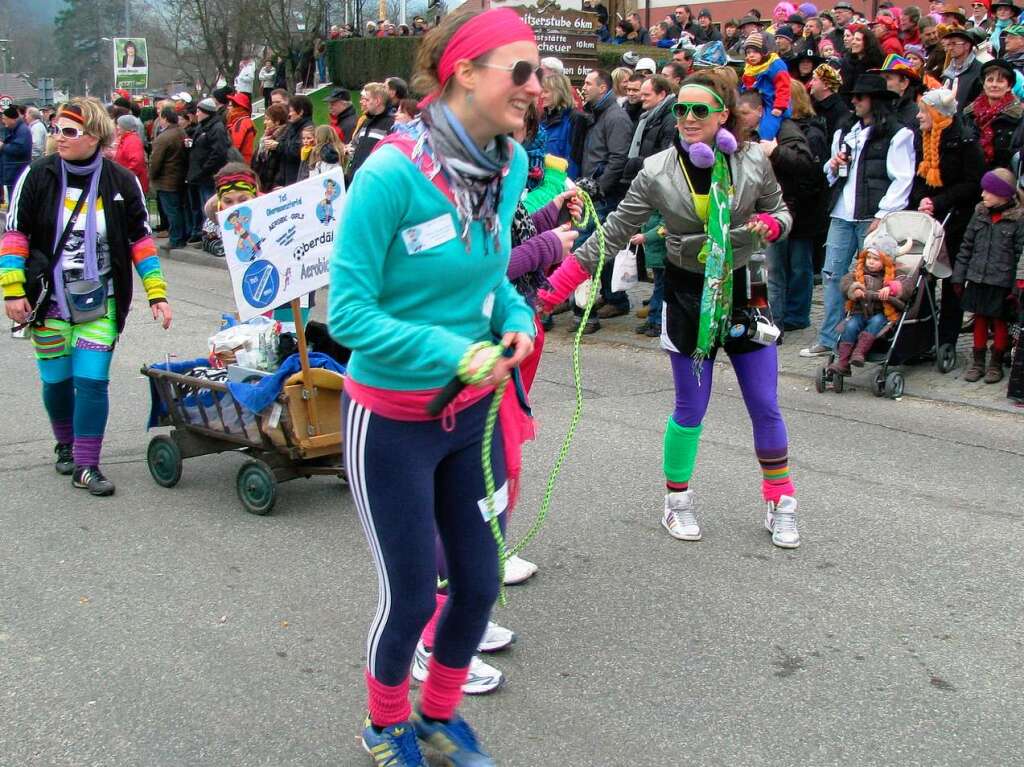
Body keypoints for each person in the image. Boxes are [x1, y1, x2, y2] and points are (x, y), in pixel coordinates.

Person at [327, 9, 541, 765]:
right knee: (414, 595)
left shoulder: (508, 162)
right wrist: (452, 349)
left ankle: (440, 716)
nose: (535, 86)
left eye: (538, 71)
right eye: (520, 70)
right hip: (391, 422)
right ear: (463, 73)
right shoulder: (390, 173)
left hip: (475, 417)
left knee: (480, 585)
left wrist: (516, 317)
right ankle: (384, 724)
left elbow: (495, 275)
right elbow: (346, 314)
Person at [540, 70, 801, 549]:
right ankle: (676, 502)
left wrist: (772, 224)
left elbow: (783, 211)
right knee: (690, 409)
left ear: (724, 115)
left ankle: (779, 499)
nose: (686, 119)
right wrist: (553, 290)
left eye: (698, 110)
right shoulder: (658, 169)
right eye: (680, 109)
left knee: (764, 404)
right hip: (685, 293)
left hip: (744, 289)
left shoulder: (750, 160)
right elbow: (614, 232)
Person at [1, 98, 170, 496]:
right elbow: (15, 236)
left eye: (70, 131)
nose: (59, 137)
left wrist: (157, 294)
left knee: (93, 382)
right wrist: (11, 291)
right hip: (49, 300)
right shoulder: (37, 175)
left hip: (101, 300)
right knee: (57, 382)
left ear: (95, 135)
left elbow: (141, 241)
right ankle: (65, 442)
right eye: (57, 129)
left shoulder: (120, 181)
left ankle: (86, 464)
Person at [801, 73, 916, 358]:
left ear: (874, 101)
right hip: (842, 212)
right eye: (853, 96)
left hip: (872, 215)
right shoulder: (846, 130)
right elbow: (831, 173)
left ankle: (865, 340)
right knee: (833, 275)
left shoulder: (897, 134)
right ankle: (829, 337)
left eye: (860, 97)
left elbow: (902, 178)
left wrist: (884, 212)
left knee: (871, 278)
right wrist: (834, 163)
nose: (854, 102)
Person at [735, 90, 824, 332]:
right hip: (762, 210)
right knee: (765, 269)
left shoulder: (784, 131)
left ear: (760, 111)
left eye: (745, 113)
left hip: (788, 210)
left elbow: (807, 167)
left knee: (785, 270)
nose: (741, 118)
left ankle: (777, 320)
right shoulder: (751, 133)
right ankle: (768, 317)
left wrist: (775, 152)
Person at [910, 88, 985, 354]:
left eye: (923, 111)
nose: (918, 116)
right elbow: (919, 175)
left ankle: (947, 338)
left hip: (956, 218)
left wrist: (938, 202)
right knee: (922, 277)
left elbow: (972, 183)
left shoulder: (964, 140)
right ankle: (920, 336)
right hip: (929, 216)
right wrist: (922, 200)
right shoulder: (925, 138)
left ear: (938, 113)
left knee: (950, 279)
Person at [954, 168, 1024, 383]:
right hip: (977, 277)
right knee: (980, 320)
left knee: (1000, 322)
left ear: (1002, 194)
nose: (983, 195)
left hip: (1001, 280)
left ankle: (995, 363)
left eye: (988, 191)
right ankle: (977, 363)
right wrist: (959, 276)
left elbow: (1020, 253)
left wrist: (1016, 286)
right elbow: (966, 246)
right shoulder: (980, 213)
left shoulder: (1018, 220)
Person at [577, 68, 633, 331]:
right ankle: (614, 298)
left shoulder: (615, 118)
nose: (583, 87)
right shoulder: (597, 113)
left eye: (588, 83)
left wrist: (599, 189)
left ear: (603, 88)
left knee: (588, 250)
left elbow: (617, 159)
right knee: (601, 251)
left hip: (603, 196)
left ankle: (588, 311)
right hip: (593, 193)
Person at [829, 235, 908, 373]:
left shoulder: (894, 274)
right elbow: (844, 283)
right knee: (851, 325)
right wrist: (854, 289)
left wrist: (890, 289)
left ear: (885, 260)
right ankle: (843, 362)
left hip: (882, 312)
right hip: (859, 312)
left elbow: (906, 285)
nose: (871, 262)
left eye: (876, 259)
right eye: (869, 258)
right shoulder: (858, 273)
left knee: (877, 322)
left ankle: (859, 352)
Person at [963, 59, 1023, 171]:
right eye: (990, 80)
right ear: (984, 84)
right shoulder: (968, 114)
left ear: (1009, 86)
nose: (994, 85)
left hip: (1002, 178)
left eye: (1000, 81)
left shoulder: (1019, 116)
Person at [185, 98, 231, 244]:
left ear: (206, 112)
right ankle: (207, 236)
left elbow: (219, 152)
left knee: (210, 208)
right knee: (203, 207)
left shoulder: (216, 128)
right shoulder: (202, 126)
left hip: (209, 176)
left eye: (199, 110)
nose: (196, 113)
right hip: (200, 175)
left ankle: (215, 238)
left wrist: (205, 169)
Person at [740, 32, 793, 140]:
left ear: (763, 51)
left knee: (767, 127)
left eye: (755, 51)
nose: (751, 55)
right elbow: (747, 86)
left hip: (772, 103)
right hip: (757, 101)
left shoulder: (775, 64)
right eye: (748, 52)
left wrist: (779, 106)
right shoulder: (750, 67)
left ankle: (764, 143)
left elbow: (783, 87)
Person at [149, 107, 189, 249]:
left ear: (165, 118)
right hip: (179, 177)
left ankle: (176, 239)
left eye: (160, 117)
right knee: (178, 209)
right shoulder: (181, 132)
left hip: (166, 180)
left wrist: (152, 176)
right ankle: (181, 236)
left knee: (172, 211)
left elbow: (156, 161)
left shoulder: (164, 137)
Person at [346, 83, 394, 184]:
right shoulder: (366, 122)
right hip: (356, 181)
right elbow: (356, 149)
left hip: (373, 184)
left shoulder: (391, 124)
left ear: (377, 101)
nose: (362, 102)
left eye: (367, 100)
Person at [873, 54, 923, 134]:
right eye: (881, 78)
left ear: (904, 84)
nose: (881, 83)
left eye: (887, 78)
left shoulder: (914, 116)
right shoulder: (877, 107)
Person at [274, 95, 314, 188]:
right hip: (286, 177)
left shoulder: (308, 129)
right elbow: (281, 140)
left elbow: (296, 151)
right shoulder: (291, 126)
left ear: (301, 112)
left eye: (291, 111)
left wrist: (278, 146)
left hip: (297, 179)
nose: (289, 114)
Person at [940, 26, 983, 110]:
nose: (950, 48)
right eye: (948, 44)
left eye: (954, 44)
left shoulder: (979, 71)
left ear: (967, 45)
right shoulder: (948, 72)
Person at [840, 27, 886, 105]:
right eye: (853, 39)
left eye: (858, 40)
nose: (853, 42)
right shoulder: (847, 61)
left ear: (867, 43)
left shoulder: (876, 64)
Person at [809, 62, 851, 140]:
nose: (810, 83)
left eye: (814, 79)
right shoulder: (814, 105)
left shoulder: (839, 111)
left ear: (826, 85)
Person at [252, 103, 287, 192]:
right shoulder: (266, 137)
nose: (264, 122)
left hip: (275, 187)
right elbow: (256, 163)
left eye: (268, 119)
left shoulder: (283, 137)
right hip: (263, 184)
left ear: (277, 121)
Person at [0, 106, 32, 204]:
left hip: (16, 171)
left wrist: (3, 146)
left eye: (4, 119)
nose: (3, 121)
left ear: (12, 119)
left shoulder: (23, 130)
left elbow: (19, 149)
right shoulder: (13, 129)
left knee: (15, 199)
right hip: (11, 171)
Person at [113, 115, 148, 195]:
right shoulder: (126, 139)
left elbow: (137, 162)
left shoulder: (132, 140)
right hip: (128, 182)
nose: (117, 127)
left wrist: (125, 176)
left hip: (132, 183)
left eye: (119, 125)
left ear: (125, 127)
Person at [226, 92, 256, 165]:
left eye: (231, 105)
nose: (228, 108)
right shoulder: (242, 121)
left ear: (238, 107)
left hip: (240, 164)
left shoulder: (240, 123)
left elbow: (235, 147)